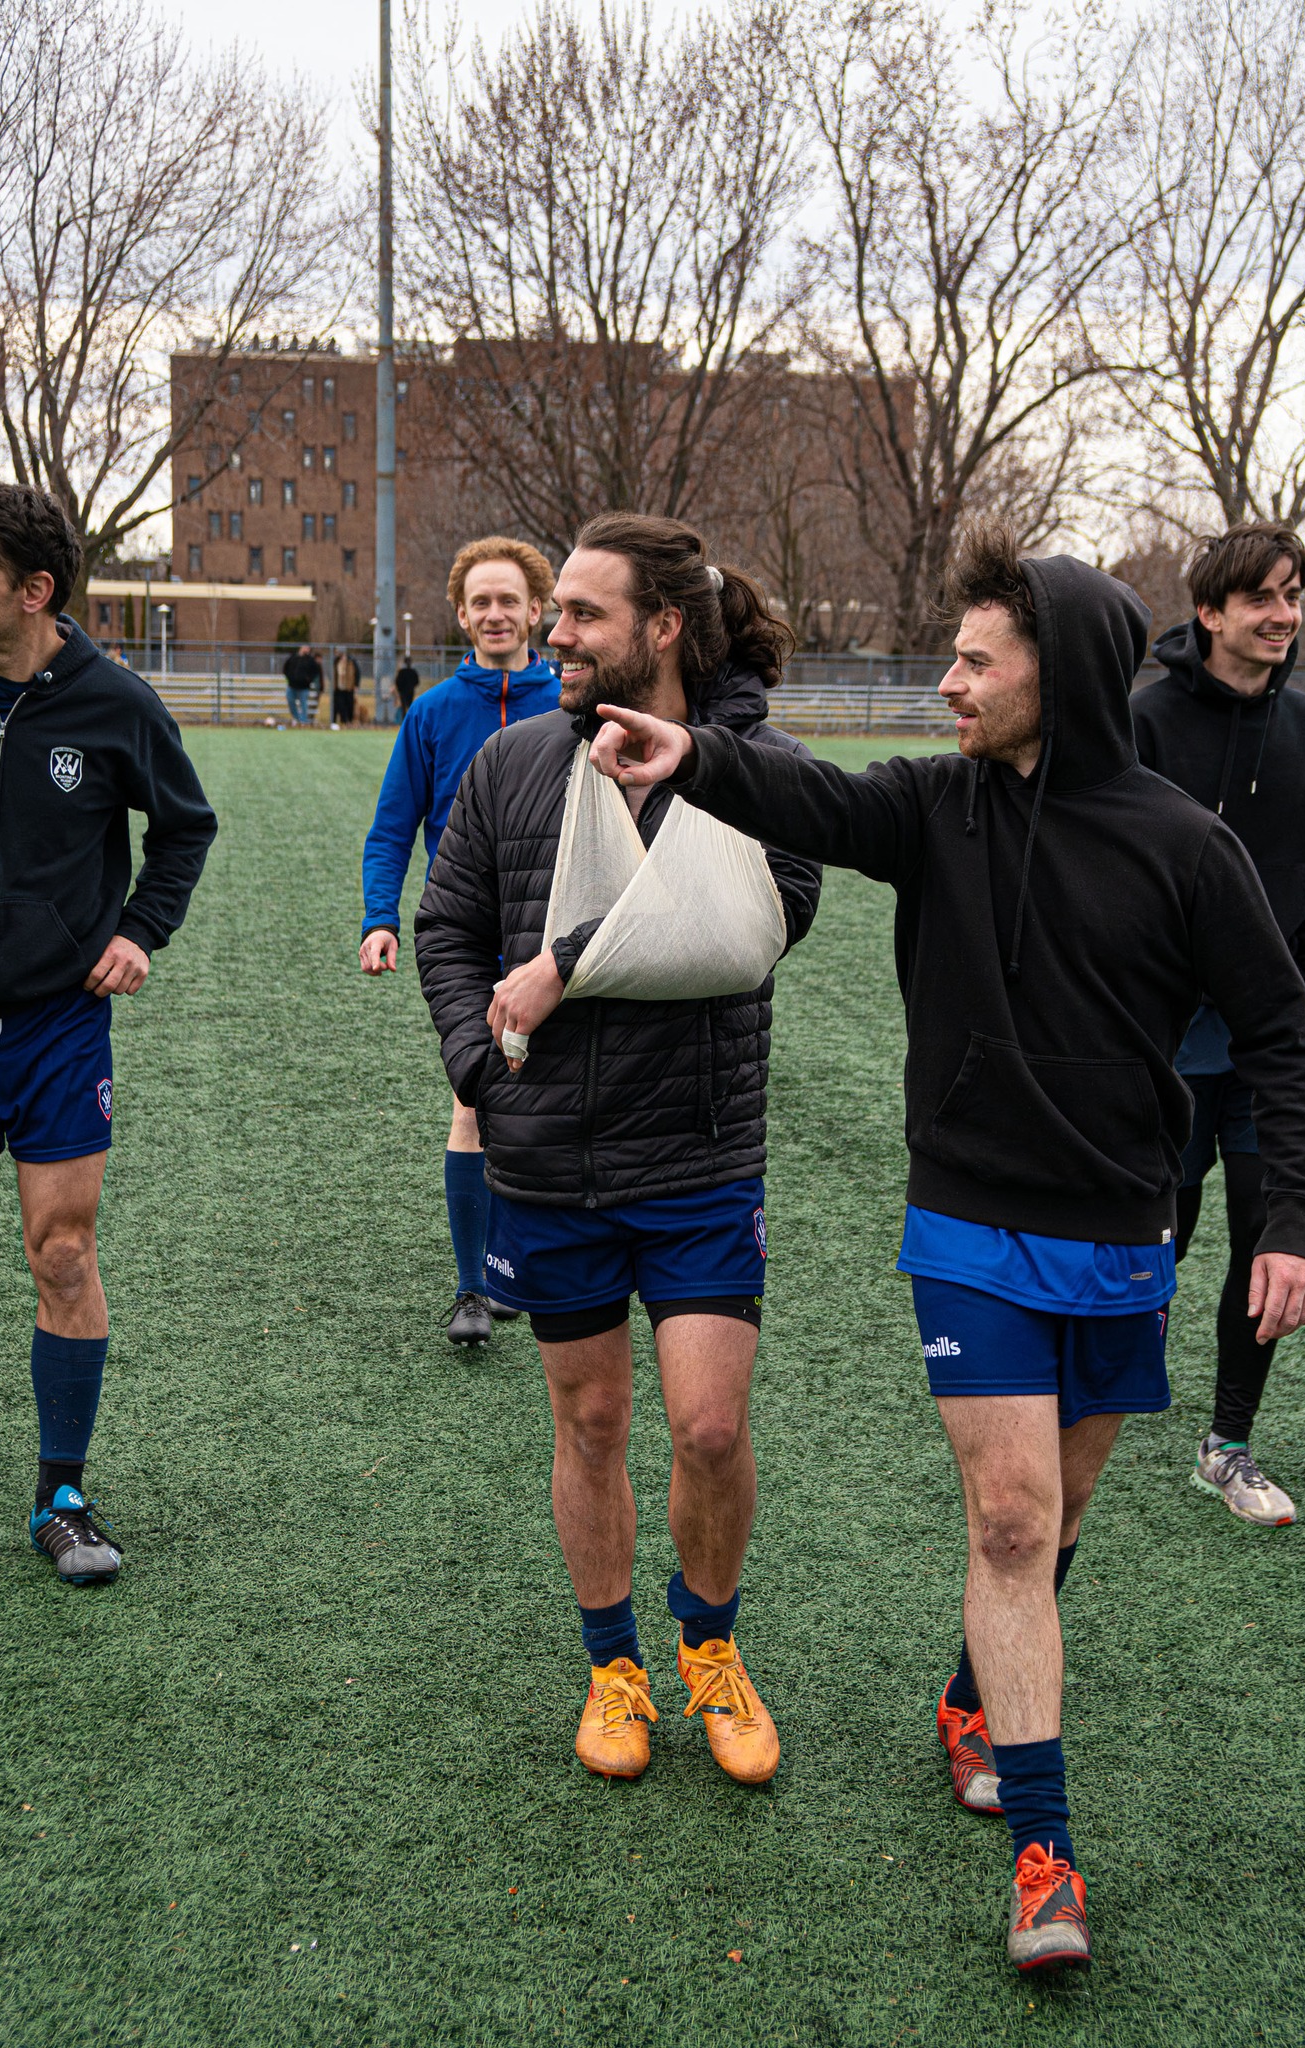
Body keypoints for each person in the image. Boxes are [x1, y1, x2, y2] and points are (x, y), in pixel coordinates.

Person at [585, 519, 1305, 1970]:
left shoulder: (1188, 847)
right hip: (967, 1226)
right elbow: (817, 802)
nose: (946, 683)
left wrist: (1293, 1218)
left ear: (1060, 675)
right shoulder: (935, 805)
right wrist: (695, 760)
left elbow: (1282, 1044)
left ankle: (969, 1692)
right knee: (1006, 1517)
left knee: (1053, 1519)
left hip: (1125, 1230)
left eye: (974, 661)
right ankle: (1045, 1860)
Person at [416, 514, 822, 1788]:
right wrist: (481, 1071)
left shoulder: (758, 767)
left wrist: (556, 969)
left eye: (583, 614)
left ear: (661, 627)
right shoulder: (513, 763)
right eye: (556, 612)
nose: (554, 633)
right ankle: (615, 1665)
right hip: (553, 1161)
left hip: (702, 1154)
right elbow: (446, 927)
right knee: (591, 1422)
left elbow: (751, 929)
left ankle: (710, 1646)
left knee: (707, 1426)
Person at [0, 483, 217, 1584]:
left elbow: (185, 828)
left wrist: (139, 932)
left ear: (33, 591)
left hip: (58, 1021)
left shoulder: (114, 702)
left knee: (62, 1250)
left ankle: (61, 1492)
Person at [1132, 523, 1305, 1526]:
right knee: (1158, 1231)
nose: (1284, 614)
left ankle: (1230, 1443)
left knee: (1269, 1238)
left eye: (1293, 594)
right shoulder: (1146, 723)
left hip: (1271, 1043)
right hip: (1160, 1042)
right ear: (1210, 611)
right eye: (1263, 596)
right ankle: (1109, 1372)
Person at [360, 537, 562, 1345]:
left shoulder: (572, 702)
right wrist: (380, 917)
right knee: (475, 1100)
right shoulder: (435, 711)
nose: (494, 613)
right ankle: (473, 1288)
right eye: (480, 601)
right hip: (470, 938)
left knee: (555, 1108)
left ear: (535, 609)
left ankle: (531, 1268)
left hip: (559, 933)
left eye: (508, 599)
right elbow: (391, 829)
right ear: (460, 614)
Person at [282, 643, 320, 726]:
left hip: (304, 687)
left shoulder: (310, 660)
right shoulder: (293, 658)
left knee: (303, 705)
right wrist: (289, 677)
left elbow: (316, 671)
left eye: (308, 648)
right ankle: (296, 718)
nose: (307, 649)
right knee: (290, 701)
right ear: (301, 647)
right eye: (305, 647)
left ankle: (303, 721)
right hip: (292, 686)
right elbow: (285, 668)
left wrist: (308, 679)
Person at [332, 647, 360, 728]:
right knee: (340, 704)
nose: (336, 653)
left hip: (349, 686)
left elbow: (357, 672)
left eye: (338, 652)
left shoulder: (351, 661)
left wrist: (356, 684)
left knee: (349, 704)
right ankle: (343, 721)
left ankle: (349, 721)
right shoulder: (336, 661)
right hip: (339, 686)